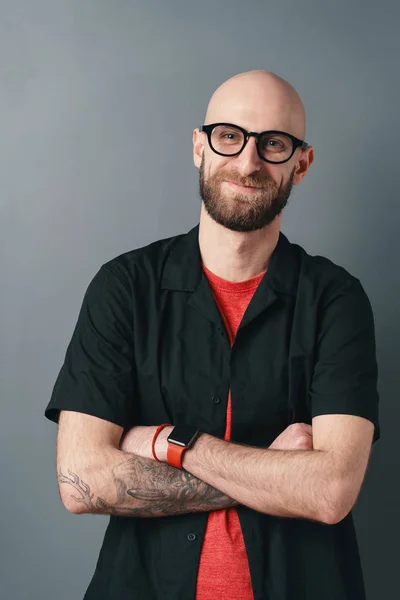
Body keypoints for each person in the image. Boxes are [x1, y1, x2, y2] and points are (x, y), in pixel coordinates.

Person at [45, 70, 380, 600]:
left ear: (302, 163)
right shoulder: (124, 288)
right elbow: (81, 481)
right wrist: (273, 476)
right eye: (230, 136)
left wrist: (167, 443)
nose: (248, 163)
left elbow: (330, 491)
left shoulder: (336, 299)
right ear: (199, 147)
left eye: (274, 144)